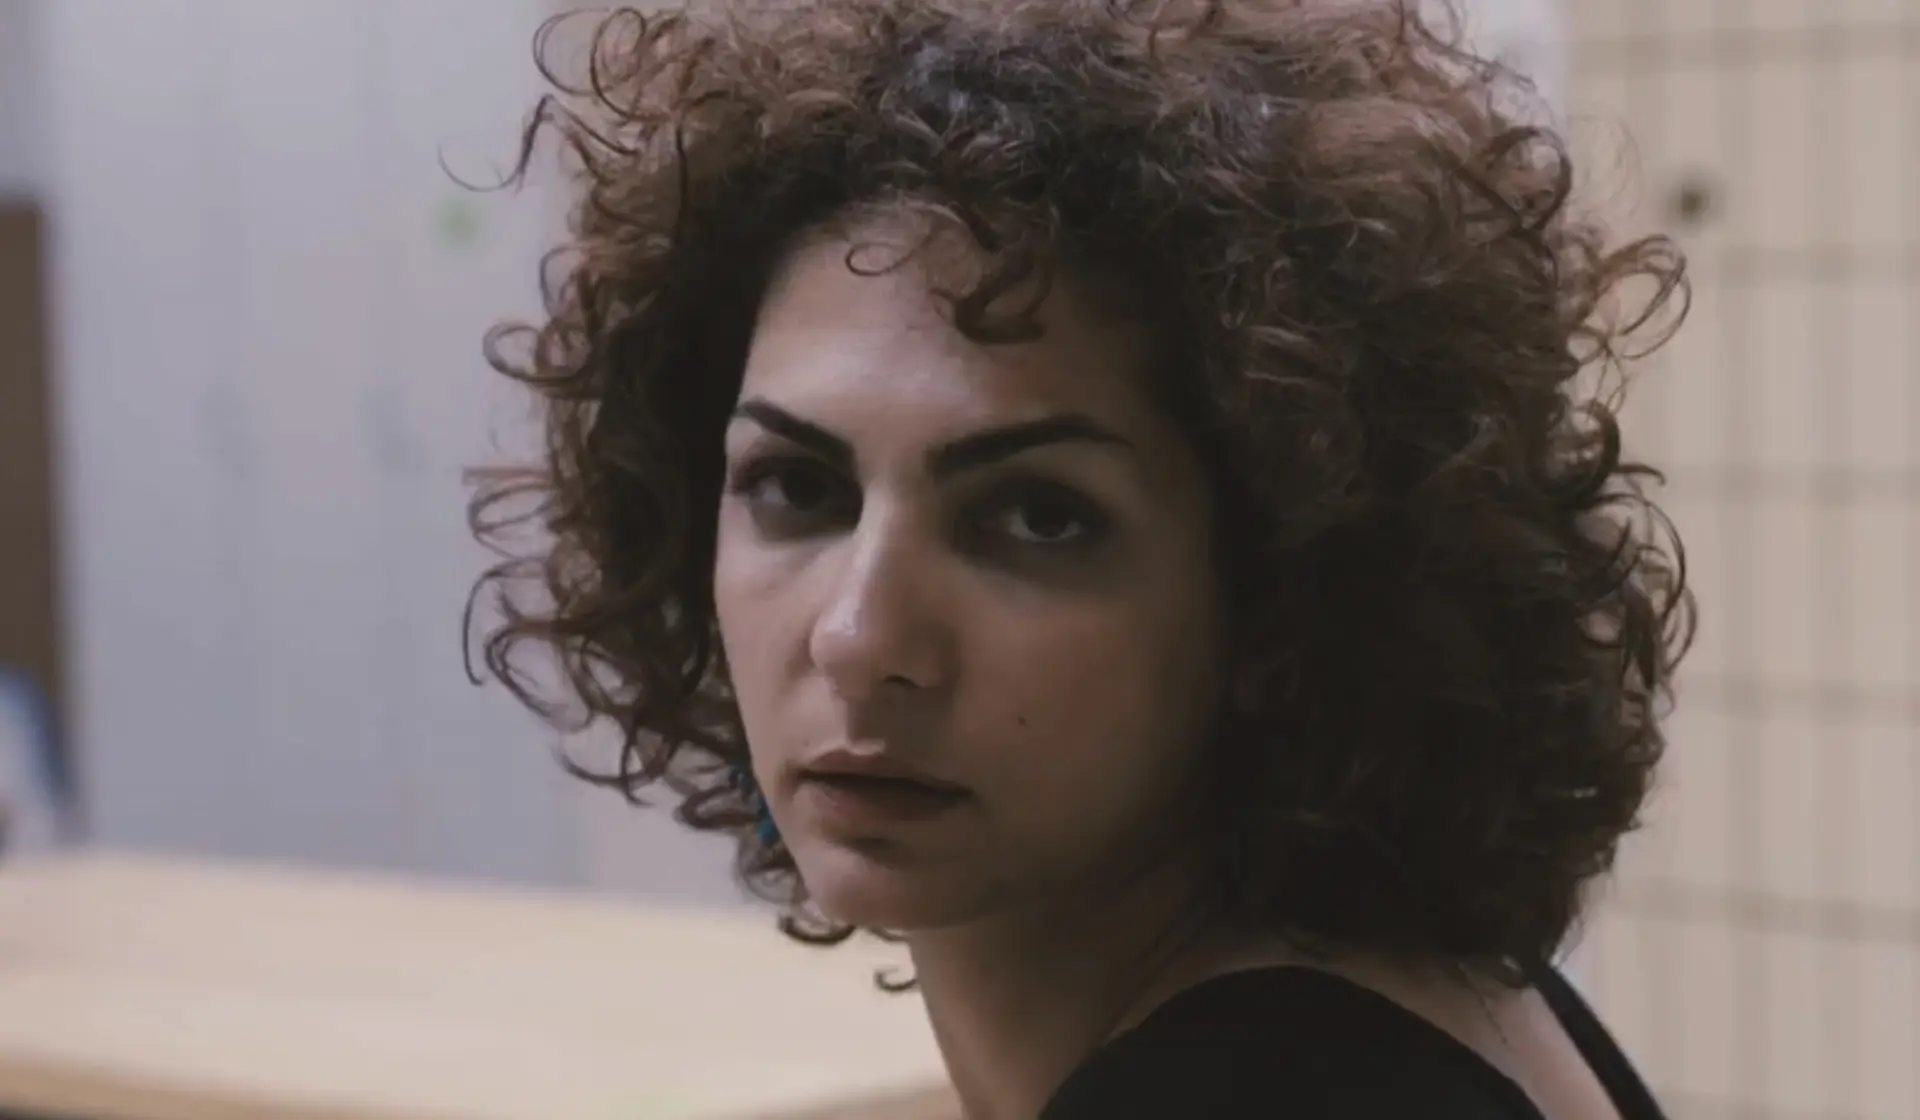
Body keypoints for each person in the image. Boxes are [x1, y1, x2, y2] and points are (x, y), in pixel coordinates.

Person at [467, 1, 1692, 1117]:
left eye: (1038, 516)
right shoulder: (1380, 989)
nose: (860, 637)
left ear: (1283, 593)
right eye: (796, 487)